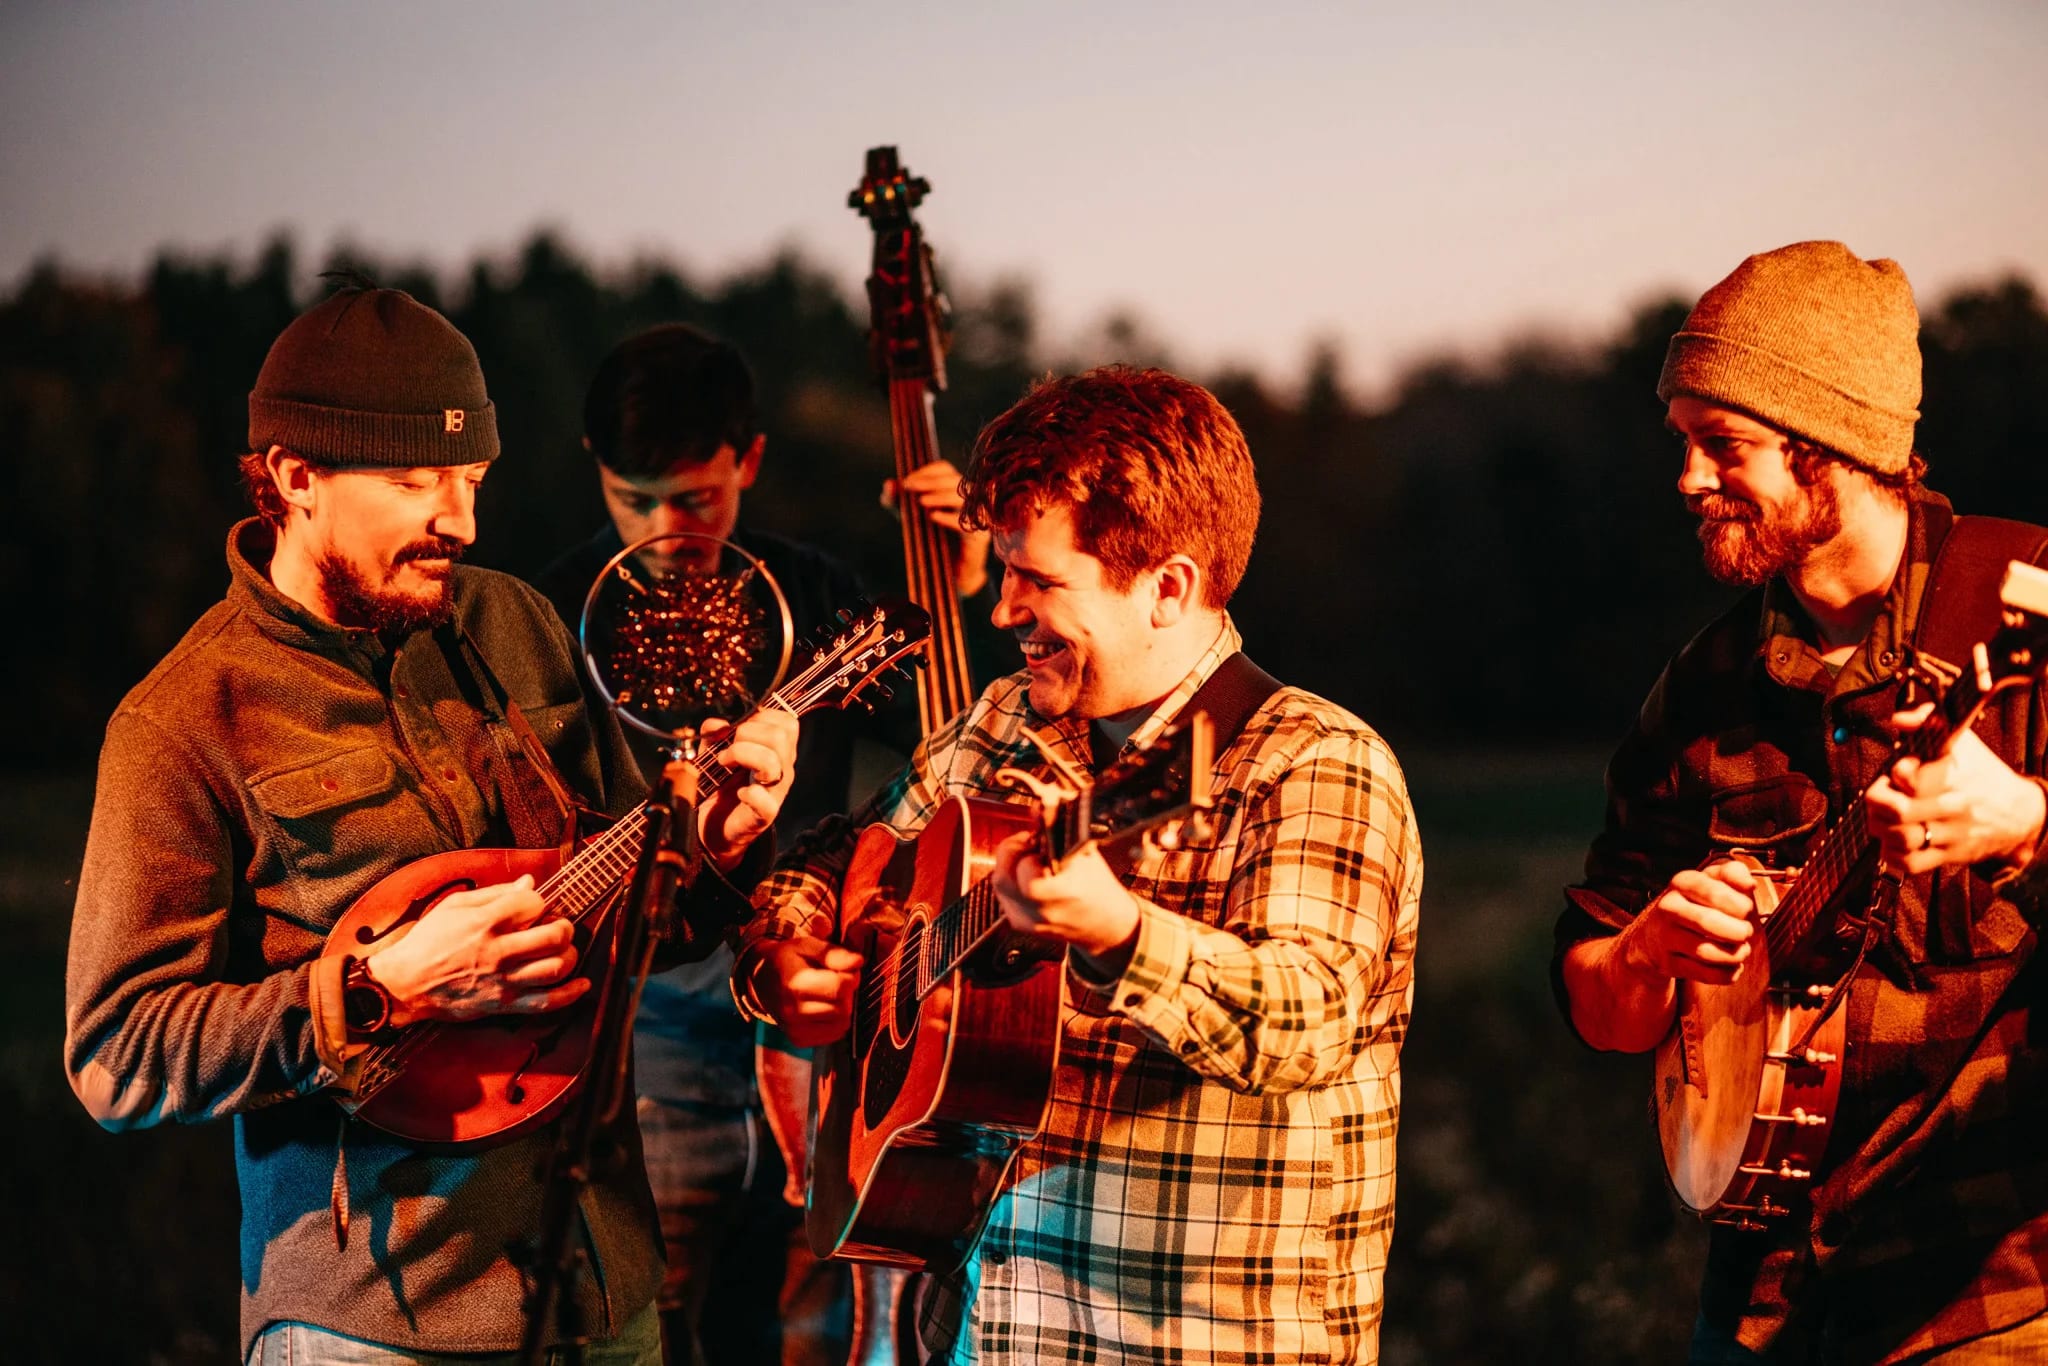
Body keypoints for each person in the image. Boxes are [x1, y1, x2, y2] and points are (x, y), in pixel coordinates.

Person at [62, 284, 797, 1365]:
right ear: (294, 477)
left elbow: (644, 923)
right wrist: (376, 990)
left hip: (606, 1294)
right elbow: (117, 1055)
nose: (459, 519)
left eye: (471, 479)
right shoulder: (184, 721)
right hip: (375, 1327)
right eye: (414, 482)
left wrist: (721, 842)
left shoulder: (518, 624)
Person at [733, 365, 1424, 1364]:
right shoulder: (1001, 722)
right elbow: (840, 857)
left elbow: (1304, 1023)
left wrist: (1122, 934)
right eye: (1006, 569)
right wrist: (785, 954)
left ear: (1167, 588)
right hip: (979, 1331)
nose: (1002, 608)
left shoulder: (1315, 760)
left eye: (1041, 580)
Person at [1553, 241, 2048, 1363]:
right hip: (1761, 1301)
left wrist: (2027, 827)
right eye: (1682, 442)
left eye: (1722, 444)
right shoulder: (1702, 689)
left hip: (1991, 1297)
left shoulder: (2020, 614)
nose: (1687, 480)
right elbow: (1595, 1000)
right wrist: (1641, 951)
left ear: (1829, 445)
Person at [533, 323, 991, 1366]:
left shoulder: (812, 592)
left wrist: (957, 584)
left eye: (697, 498)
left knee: (808, 1326)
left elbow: (952, 747)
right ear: (595, 469)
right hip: (644, 1034)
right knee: (647, 1316)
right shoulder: (553, 615)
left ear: (749, 460)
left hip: (818, 1034)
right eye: (635, 500)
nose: (668, 528)